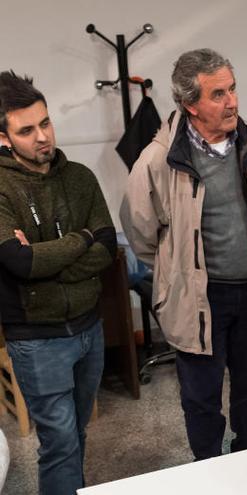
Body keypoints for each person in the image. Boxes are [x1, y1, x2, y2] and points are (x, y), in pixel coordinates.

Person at [120, 49, 247, 460]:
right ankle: (208, 468)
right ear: (190, 104)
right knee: (201, 398)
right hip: (199, 300)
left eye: (232, 89)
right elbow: (141, 233)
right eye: (218, 94)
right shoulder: (157, 161)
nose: (232, 102)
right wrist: (179, 275)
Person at [0, 71, 116, 495]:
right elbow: (18, 260)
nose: (42, 137)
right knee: (61, 441)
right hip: (36, 338)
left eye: (45, 123)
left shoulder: (81, 177)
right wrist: (79, 241)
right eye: (26, 130)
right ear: (4, 137)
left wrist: (54, 255)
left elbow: (106, 246)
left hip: (90, 327)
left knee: (78, 435)